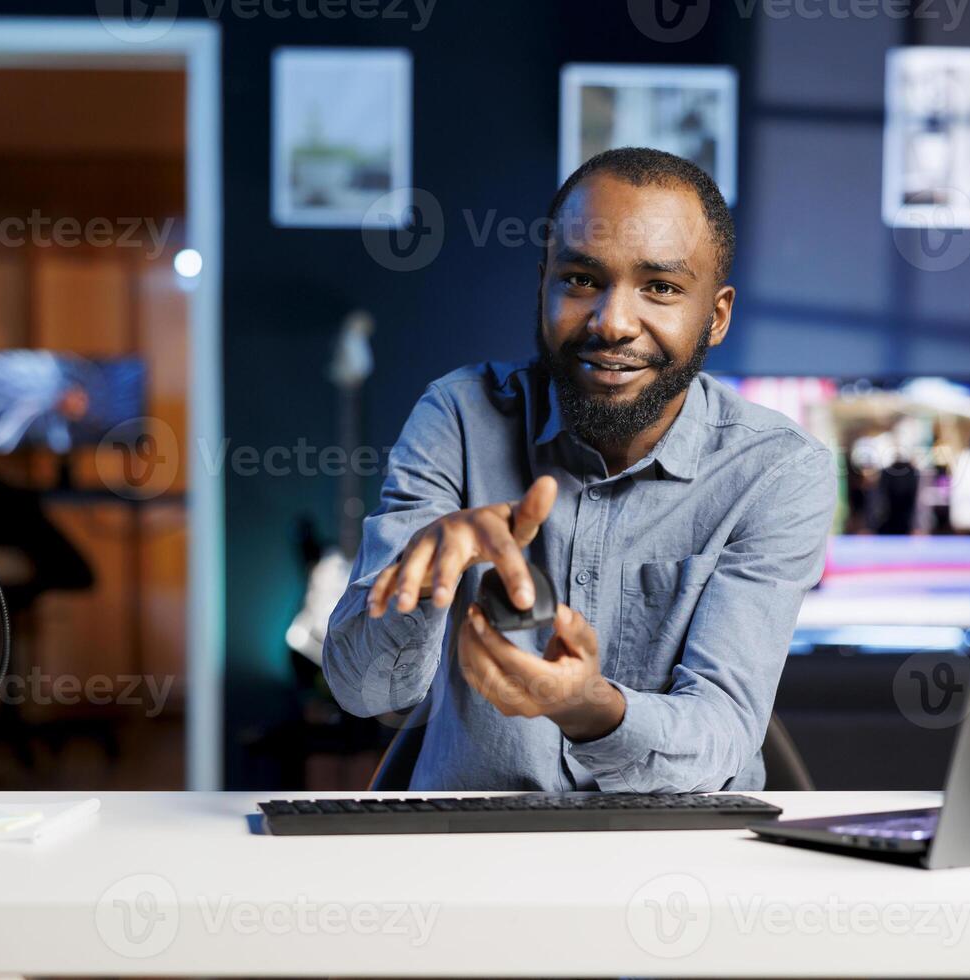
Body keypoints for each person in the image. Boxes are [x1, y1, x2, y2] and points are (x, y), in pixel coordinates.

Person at [323, 147, 836, 792]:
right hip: (470, 859)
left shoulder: (776, 471)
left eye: (662, 288)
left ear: (717, 315)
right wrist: (420, 581)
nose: (613, 322)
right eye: (582, 279)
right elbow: (359, 690)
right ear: (544, 284)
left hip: (682, 865)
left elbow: (724, 730)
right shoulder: (457, 417)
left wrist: (585, 708)